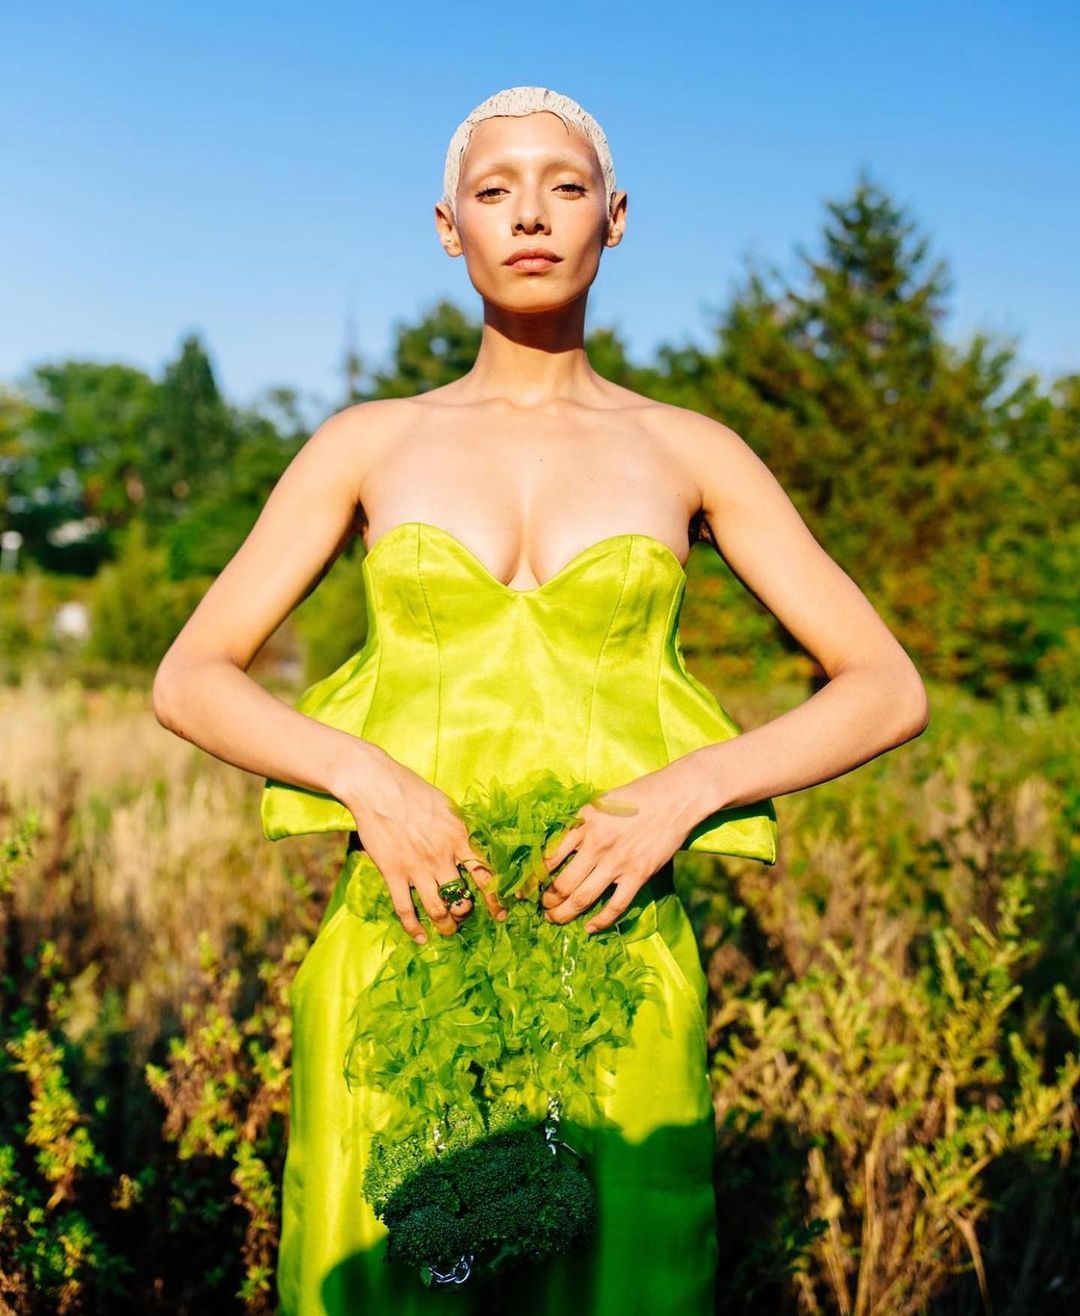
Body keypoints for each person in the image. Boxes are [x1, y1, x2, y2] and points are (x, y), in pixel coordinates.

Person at [152, 85, 929, 1316]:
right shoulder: (366, 442)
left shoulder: (693, 450)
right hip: (405, 945)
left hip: (615, 956)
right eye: (494, 188)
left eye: (565, 186)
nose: (530, 214)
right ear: (447, 225)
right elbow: (191, 674)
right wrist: (365, 777)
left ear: (613, 218)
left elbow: (886, 685)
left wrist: (687, 790)